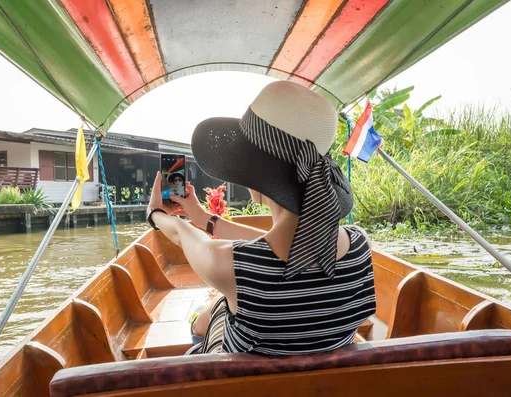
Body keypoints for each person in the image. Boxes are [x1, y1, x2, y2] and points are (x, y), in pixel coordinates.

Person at [146, 81, 376, 355]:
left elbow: (183, 235)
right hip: (325, 386)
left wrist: (156, 214)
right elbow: (287, 250)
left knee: (207, 317)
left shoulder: (232, 267)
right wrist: (203, 217)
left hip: (242, 387)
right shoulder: (361, 246)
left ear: (257, 173)